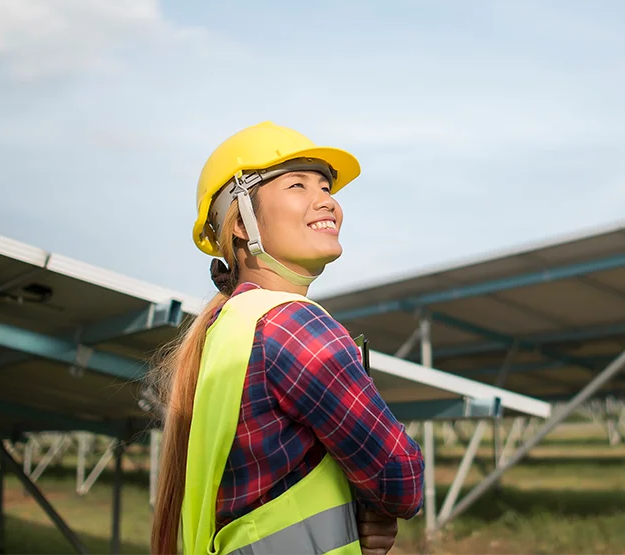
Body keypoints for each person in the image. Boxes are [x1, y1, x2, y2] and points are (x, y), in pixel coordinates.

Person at [148, 121, 425, 555]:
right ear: (241, 222)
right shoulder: (292, 326)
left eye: (326, 187)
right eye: (298, 185)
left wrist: (355, 515)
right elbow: (401, 477)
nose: (327, 202)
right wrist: (373, 505)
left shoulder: (228, 326)